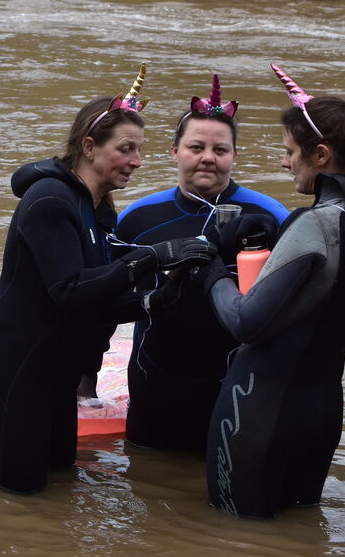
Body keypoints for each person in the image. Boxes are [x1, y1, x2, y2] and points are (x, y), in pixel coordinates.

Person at [191, 64, 345, 518]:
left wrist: (210, 270)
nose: (284, 162)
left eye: (289, 152)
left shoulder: (317, 224)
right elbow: (322, 295)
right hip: (322, 411)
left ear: (320, 155)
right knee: (300, 542)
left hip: (258, 410)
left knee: (235, 548)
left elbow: (245, 321)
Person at [0, 67, 216, 494]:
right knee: (13, 512)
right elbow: (70, 292)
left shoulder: (98, 210)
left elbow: (98, 300)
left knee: (61, 497)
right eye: (126, 149)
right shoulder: (49, 200)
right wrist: (151, 257)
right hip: (15, 381)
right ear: (88, 147)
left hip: (57, 383)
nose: (137, 160)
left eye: (140, 149)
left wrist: (158, 299)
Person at [114, 75, 288, 452]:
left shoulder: (271, 217)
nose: (208, 157)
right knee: (146, 481)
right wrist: (84, 378)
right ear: (175, 151)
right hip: (154, 380)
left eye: (220, 149)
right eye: (196, 146)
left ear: (235, 156)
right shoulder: (137, 219)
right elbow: (105, 301)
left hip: (237, 385)